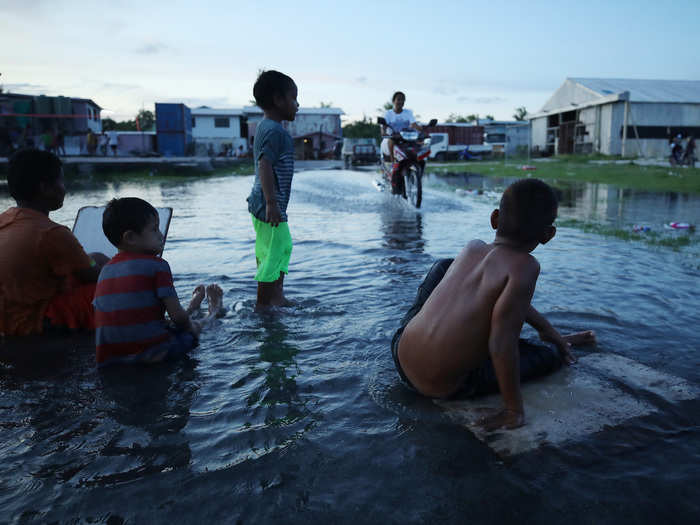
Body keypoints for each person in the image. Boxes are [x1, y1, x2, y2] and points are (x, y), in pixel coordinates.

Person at [391, 179, 596, 431]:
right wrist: (513, 409)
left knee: (445, 266)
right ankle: (555, 345)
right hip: (441, 386)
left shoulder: (473, 247)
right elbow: (501, 344)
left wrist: (548, 330)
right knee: (549, 356)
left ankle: (552, 336)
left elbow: (501, 300)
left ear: (495, 218)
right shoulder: (526, 267)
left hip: (400, 353)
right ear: (548, 235)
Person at [94, 197, 225, 367]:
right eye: (155, 230)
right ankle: (213, 311)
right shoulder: (158, 266)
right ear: (131, 237)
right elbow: (178, 318)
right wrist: (192, 328)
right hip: (155, 354)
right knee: (193, 328)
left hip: (110, 359)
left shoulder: (106, 270)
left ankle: (192, 307)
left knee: (164, 322)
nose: (161, 235)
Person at [0, 149, 108, 336]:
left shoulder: (5, 221)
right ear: (45, 188)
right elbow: (94, 276)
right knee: (112, 287)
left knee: (93, 260)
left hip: (6, 317)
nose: (64, 188)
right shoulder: (52, 233)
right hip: (31, 322)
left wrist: (92, 258)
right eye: (61, 181)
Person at [246, 70, 299, 309]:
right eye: (293, 98)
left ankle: (275, 295)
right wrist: (271, 203)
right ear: (278, 100)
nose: (297, 104)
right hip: (267, 202)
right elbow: (264, 163)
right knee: (277, 248)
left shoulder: (269, 128)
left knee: (277, 247)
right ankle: (263, 303)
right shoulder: (273, 130)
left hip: (268, 201)